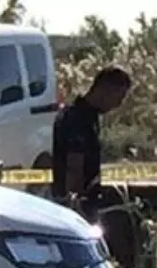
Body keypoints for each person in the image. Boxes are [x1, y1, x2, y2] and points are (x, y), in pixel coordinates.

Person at [50, 66, 131, 199]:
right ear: (105, 90)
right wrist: (75, 203)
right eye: (119, 97)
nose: (119, 104)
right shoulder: (76, 119)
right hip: (74, 202)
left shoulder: (89, 117)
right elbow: (74, 166)